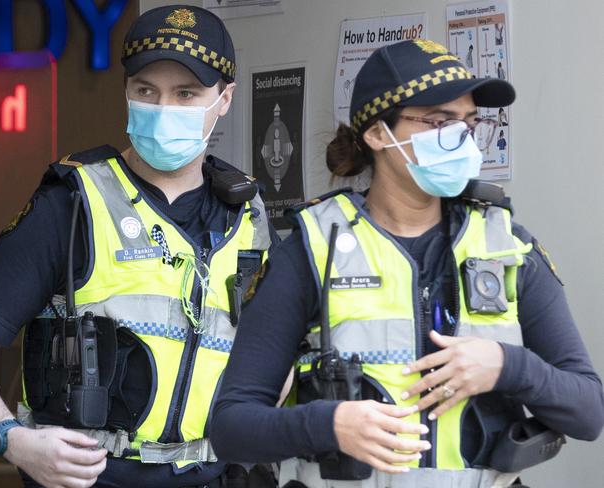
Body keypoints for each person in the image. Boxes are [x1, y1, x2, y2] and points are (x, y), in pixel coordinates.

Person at [210, 39, 604, 487]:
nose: (461, 138)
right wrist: (330, 424)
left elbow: (588, 412)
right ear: (378, 134)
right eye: (440, 122)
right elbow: (231, 427)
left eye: (469, 123)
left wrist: (506, 366)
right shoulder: (313, 247)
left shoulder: (507, 247)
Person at [0, 5, 276, 488]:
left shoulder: (247, 217)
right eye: (147, 91)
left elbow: (272, 360)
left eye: (185, 93)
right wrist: (12, 440)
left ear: (225, 99)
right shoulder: (72, 203)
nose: (164, 108)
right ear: (126, 92)